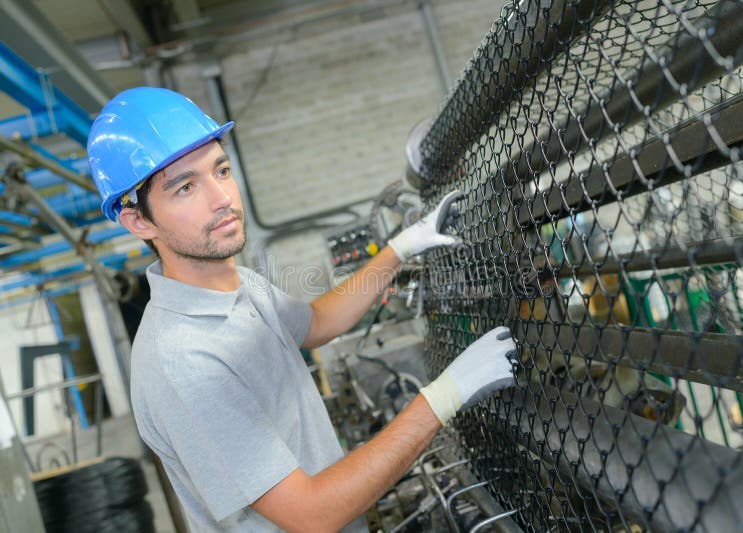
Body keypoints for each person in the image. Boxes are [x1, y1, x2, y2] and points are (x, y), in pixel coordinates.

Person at [87, 87, 517, 532]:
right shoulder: (182, 364)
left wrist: (402, 247)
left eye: (221, 170)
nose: (222, 199)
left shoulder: (240, 286)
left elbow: (317, 323)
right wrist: (447, 393)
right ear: (138, 220)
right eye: (186, 187)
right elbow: (313, 514)